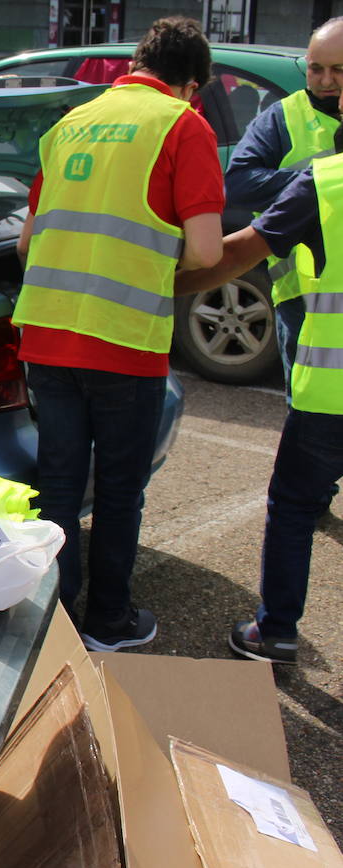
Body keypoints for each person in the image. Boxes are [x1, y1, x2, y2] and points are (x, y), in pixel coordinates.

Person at [12, 17, 225, 652]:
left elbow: (27, 243)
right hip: (123, 340)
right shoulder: (184, 125)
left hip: (46, 334)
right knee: (118, 491)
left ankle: (54, 621)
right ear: (192, 84)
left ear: (135, 64)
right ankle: (109, 621)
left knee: (57, 483)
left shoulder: (70, 123)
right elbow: (208, 251)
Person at [176, 155, 343, 665]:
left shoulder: (328, 181)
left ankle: (274, 634)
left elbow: (236, 256)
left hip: (331, 396)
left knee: (294, 507)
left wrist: (151, 286)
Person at [226, 18, 343, 387]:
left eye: (339, 70)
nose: (325, 81)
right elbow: (239, 183)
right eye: (316, 69)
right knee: (308, 406)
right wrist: (318, 185)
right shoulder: (284, 116)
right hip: (301, 298)